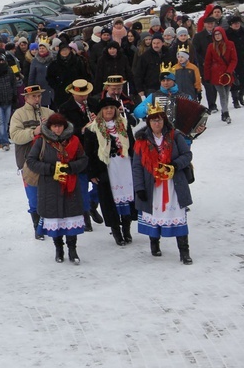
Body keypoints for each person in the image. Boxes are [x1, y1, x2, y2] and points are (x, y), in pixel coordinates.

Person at [132, 103, 194, 264]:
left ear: (164, 121)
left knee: (178, 216)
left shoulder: (175, 136)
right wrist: (139, 188)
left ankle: (184, 251)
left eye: (159, 120)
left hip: (173, 185)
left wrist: (174, 165)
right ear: (148, 123)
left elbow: (187, 155)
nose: (156, 124)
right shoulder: (141, 140)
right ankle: (154, 243)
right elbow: (137, 166)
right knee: (154, 214)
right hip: (152, 185)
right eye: (153, 121)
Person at [26, 113, 88, 264]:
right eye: (55, 126)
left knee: (70, 219)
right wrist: (51, 168)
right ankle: (58, 249)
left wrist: (70, 167)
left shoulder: (74, 141)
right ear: (50, 127)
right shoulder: (41, 142)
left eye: (60, 126)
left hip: (70, 187)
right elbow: (31, 161)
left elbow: (84, 160)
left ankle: (72, 250)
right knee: (56, 221)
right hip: (50, 187)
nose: (58, 129)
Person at [84, 98, 136, 246]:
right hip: (106, 167)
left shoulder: (123, 125)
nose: (109, 111)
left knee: (127, 198)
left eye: (112, 108)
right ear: (101, 111)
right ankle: (116, 231)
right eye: (106, 108)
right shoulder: (92, 129)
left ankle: (126, 228)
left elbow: (132, 145)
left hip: (124, 165)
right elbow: (89, 153)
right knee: (109, 200)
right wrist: (92, 173)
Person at [10, 85, 55, 240]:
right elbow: (15, 136)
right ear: (26, 98)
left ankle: (50, 224)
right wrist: (34, 132)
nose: (37, 99)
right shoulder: (18, 114)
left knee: (51, 195)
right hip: (28, 163)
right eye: (34, 96)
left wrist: (49, 128)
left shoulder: (49, 112)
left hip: (49, 160)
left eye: (39, 96)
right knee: (34, 197)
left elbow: (61, 131)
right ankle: (38, 227)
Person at [58, 79, 103, 231]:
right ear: (73, 94)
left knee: (100, 182)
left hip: (96, 150)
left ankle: (92, 203)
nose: (84, 98)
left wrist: (98, 122)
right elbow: (64, 131)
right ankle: (85, 214)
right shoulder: (65, 108)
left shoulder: (94, 103)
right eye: (80, 95)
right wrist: (82, 129)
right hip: (78, 150)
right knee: (82, 185)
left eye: (85, 94)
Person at [203, 26, 237, 124]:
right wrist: (207, 76)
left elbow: (234, 59)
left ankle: (223, 111)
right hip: (216, 74)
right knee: (222, 94)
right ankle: (226, 113)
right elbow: (207, 62)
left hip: (228, 73)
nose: (217, 36)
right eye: (215, 35)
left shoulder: (230, 44)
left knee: (226, 94)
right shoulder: (211, 46)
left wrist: (229, 71)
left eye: (219, 34)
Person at [47, 43, 89, 109]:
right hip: (61, 93)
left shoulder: (77, 61)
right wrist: (56, 86)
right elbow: (49, 78)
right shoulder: (54, 64)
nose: (65, 52)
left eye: (66, 50)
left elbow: (84, 75)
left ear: (70, 50)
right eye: (63, 50)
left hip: (76, 91)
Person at [192, 16, 218, 113]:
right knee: (208, 85)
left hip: (216, 64)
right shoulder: (199, 36)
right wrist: (203, 61)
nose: (210, 25)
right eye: (208, 23)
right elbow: (195, 51)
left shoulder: (217, 34)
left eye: (212, 23)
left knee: (215, 85)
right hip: (204, 65)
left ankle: (214, 102)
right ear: (204, 24)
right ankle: (212, 105)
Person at [28, 42, 55, 108]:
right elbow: (31, 76)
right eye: (40, 48)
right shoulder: (35, 60)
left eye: (43, 48)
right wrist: (31, 90)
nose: (41, 50)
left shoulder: (52, 59)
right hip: (40, 88)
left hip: (51, 88)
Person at [227, 16, 244, 108]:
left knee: (242, 79)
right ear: (231, 25)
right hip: (232, 59)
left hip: (242, 58)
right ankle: (235, 99)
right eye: (234, 23)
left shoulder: (243, 31)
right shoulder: (227, 34)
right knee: (234, 80)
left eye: (238, 23)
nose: (237, 25)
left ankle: (241, 96)